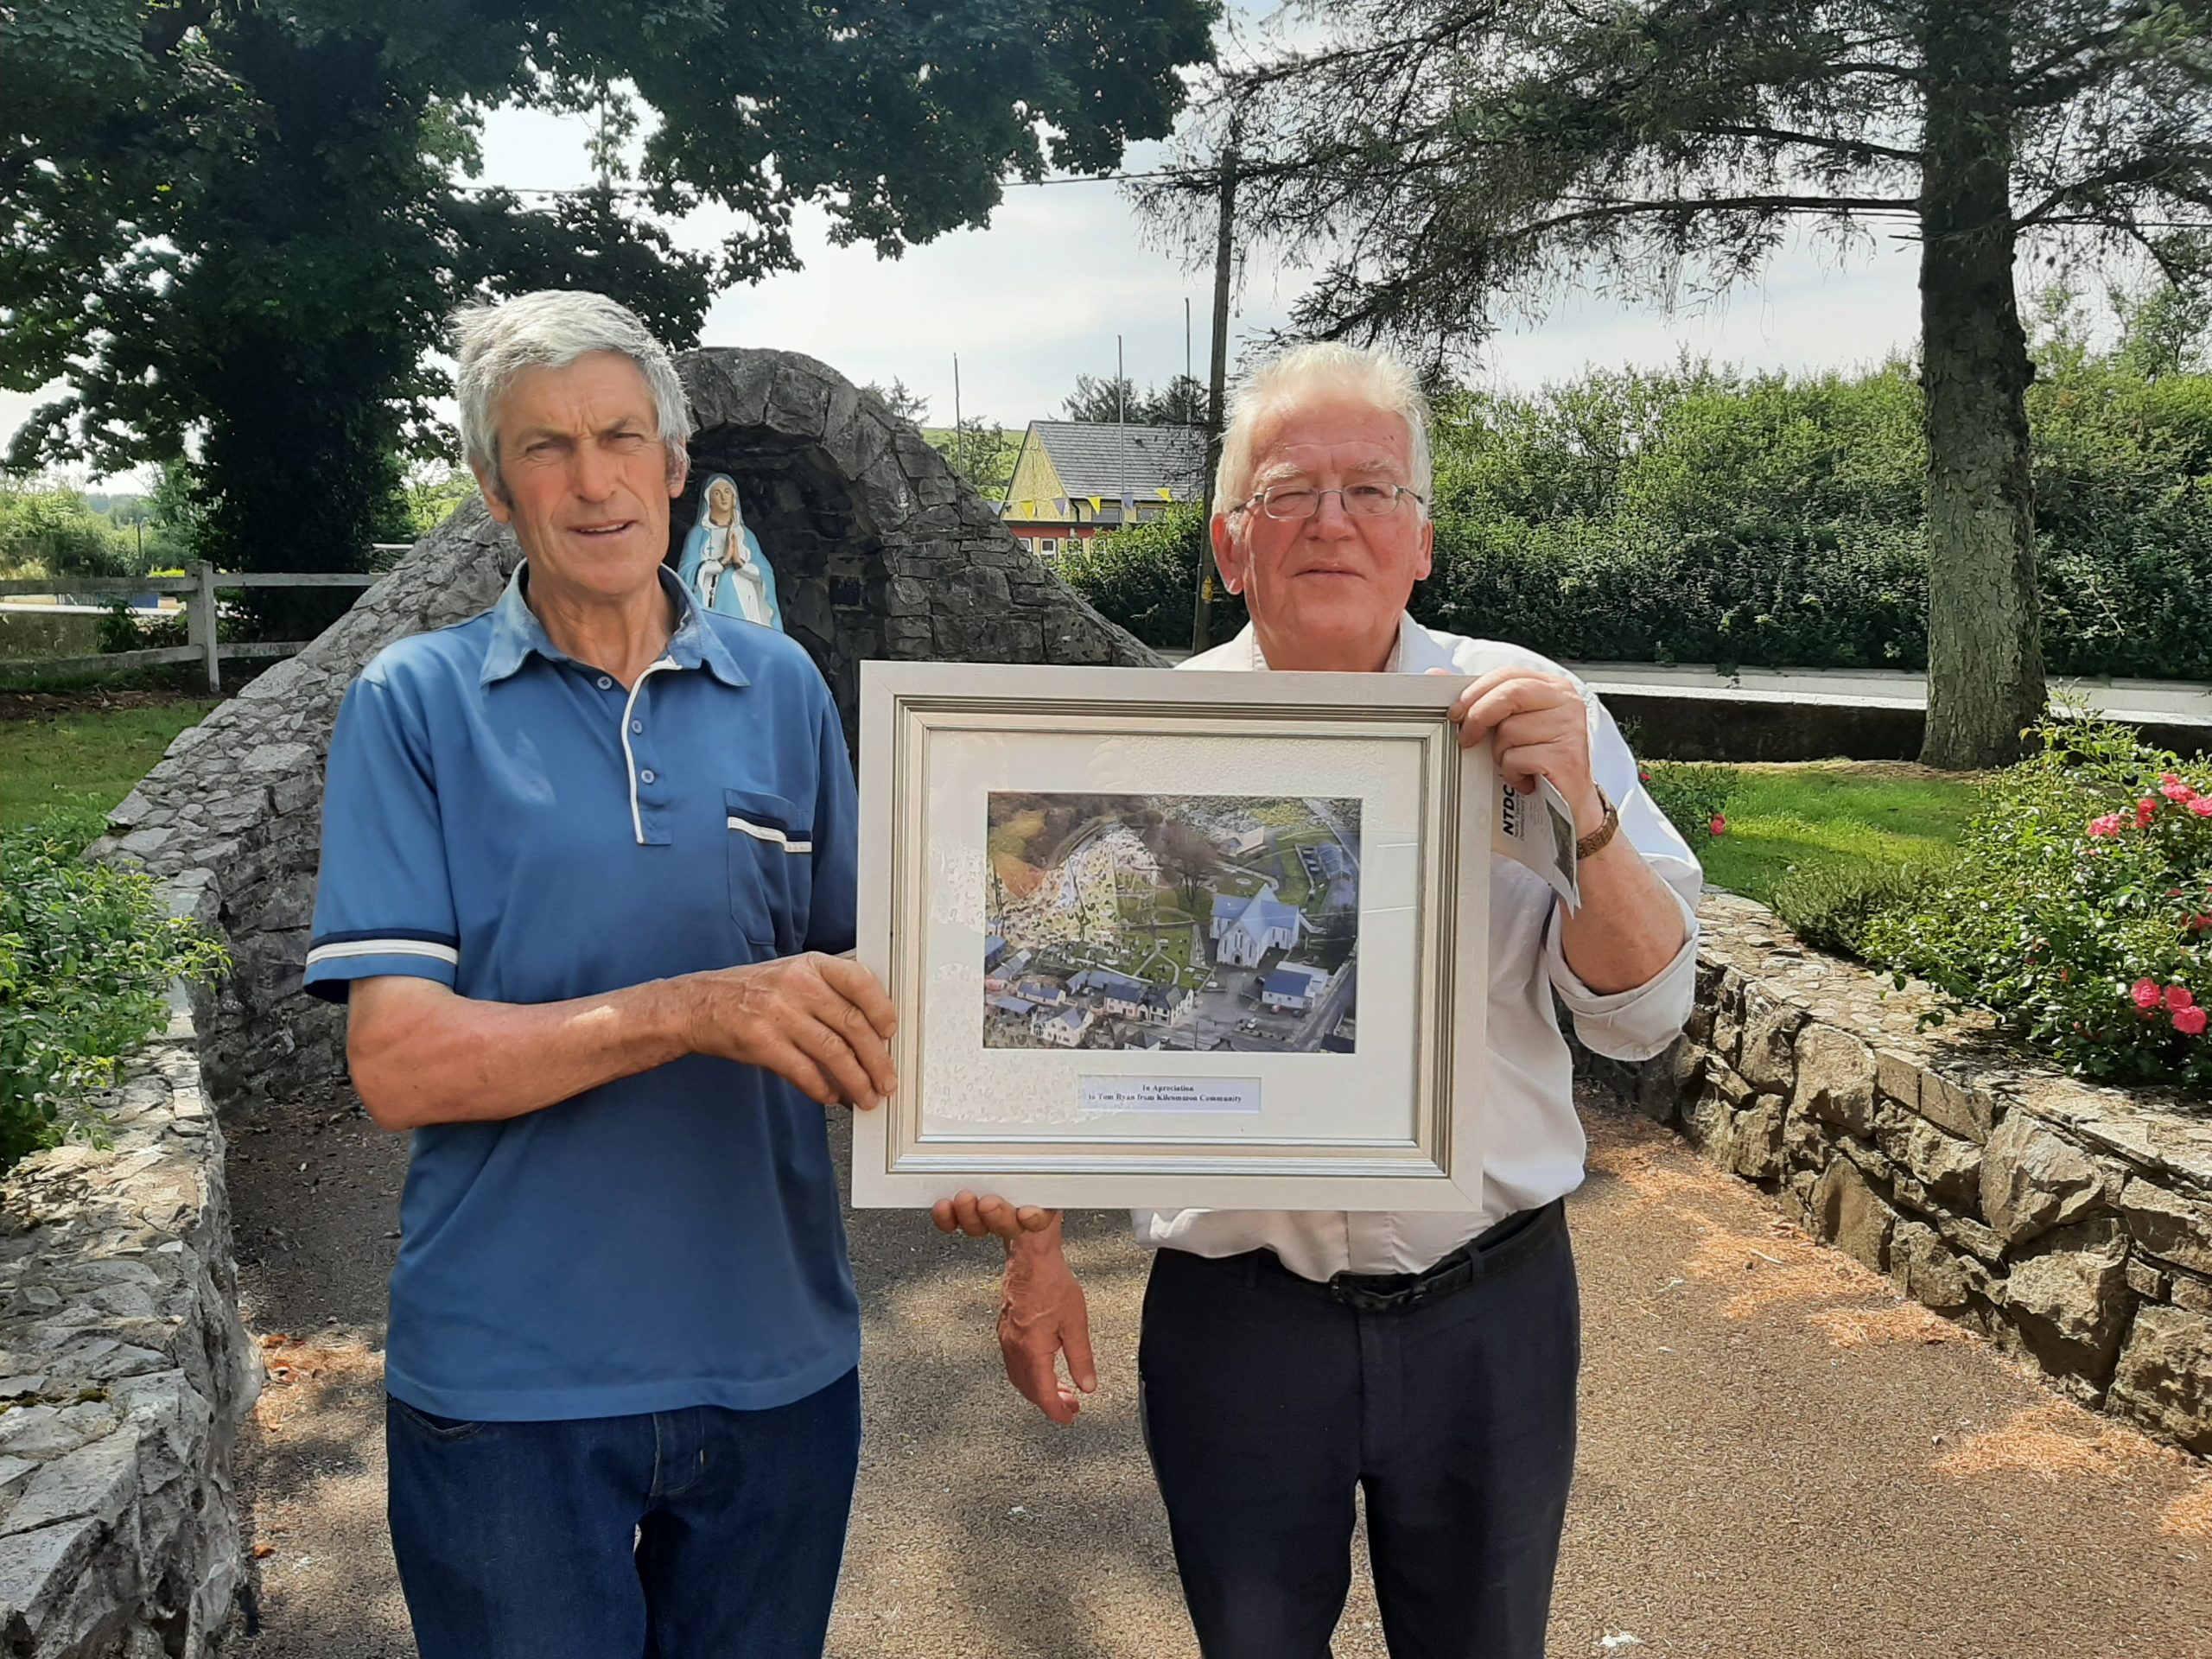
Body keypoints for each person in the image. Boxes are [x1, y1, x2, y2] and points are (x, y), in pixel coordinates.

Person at [935, 342, 1701, 1659]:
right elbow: (1048, 1017)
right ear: (1231, 545)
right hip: (1237, 1325)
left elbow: (1644, 1017)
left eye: (1372, 490)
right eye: (1289, 493)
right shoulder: (1131, 746)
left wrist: (1588, 821)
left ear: (1423, 539)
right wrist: (1033, 1245)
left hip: (1491, 1313)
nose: (1332, 522)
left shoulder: (1536, 717)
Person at [302, 289, 896, 1659]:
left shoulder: (784, 689)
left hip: (776, 1362)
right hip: (508, 1384)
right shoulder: (414, 703)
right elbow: (399, 1065)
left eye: (621, 437)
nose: (592, 480)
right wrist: (691, 1009)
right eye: (546, 446)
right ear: (492, 487)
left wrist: (1011, 1164)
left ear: (676, 466)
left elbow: (867, 991)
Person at [677, 471, 783, 629]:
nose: (723, 497)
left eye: (727, 492)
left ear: (734, 499)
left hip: (747, 603)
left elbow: (765, 573)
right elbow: (686, 573)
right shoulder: (698, 535)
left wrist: (740, 563)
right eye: (717, 493)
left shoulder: (746, 536)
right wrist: (721, 563)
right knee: (726, 579)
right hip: (711, 601)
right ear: (709, 501)